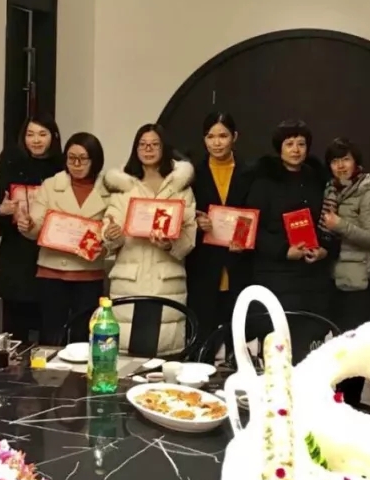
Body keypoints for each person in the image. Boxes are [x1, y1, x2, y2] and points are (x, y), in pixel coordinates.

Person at [103, 124, 197, 356]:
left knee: (165, 356)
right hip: (129, 278)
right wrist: (111, 235)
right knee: (126, 356)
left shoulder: (180, 187)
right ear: (135, 149)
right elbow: (109, 228)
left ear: (164, 148)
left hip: (168, 279)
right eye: (143, 145)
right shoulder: (123, 186)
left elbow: (189, 236)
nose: (148, 149)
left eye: (155, 144)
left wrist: (170, 244)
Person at [244, 119, 335, 363]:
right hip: (276, 277)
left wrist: (324, 249)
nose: (296, 150)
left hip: (311, 279)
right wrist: (284, 250)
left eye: (301, 144)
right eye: (289, 144)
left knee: (307, 351)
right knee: (277, 351)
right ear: (279, 148)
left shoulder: (318, 180)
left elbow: (328, 222)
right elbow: (253, 228)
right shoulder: (264, 182)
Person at [19, 132, 110, 346]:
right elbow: (37, 224)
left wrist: (105, 244)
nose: (76, 164)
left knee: (84, 336)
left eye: (83, 159)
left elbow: (111, 230)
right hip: (52, 271)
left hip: (88, 272)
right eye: (71, 158)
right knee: (51, 336)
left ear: (95, 160)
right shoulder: (51, 185)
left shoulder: (109, 189)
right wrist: (29, 225)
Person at [320, 137, 370, 407]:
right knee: (338, 347)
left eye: (345, 159)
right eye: (335, 161)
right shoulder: (331, 189)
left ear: (356, 161)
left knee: (353, 349)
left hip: (359, 280)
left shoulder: (369, 191)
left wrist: (339, 225)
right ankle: (338, 401)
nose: (340, 166)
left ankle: (349, 403)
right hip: (333, 276)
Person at [186, 112, 255, 350]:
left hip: (239, 264)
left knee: (238, 342)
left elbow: (256, 212)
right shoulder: (192, 174)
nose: (216, 143)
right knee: (203, 342)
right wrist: (196, 224)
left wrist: (244, 239)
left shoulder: (250, 172)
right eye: (210, 136)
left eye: (223, 136)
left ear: (234, 137)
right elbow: (183, 216)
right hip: (204, 267)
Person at [0, 115, 65, 341]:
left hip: (51, 254)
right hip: (16, 255)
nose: (36, 140)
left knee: (49, 326)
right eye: (30, 134)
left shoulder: (63, 168)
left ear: (53, 137)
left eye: (42, 134)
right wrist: (2, 211)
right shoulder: (11, 164)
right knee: (16, 329)